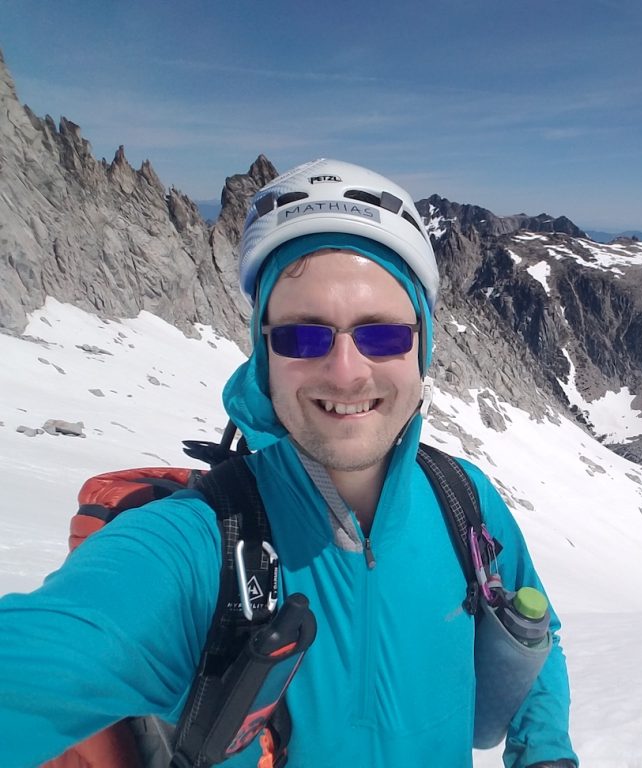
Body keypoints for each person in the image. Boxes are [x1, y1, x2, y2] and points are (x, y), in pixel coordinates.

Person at [0, 159, 578, 767]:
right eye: (303, 337)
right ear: (263, 353)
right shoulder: (201, 544)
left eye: (382, 335)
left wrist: (545, 754)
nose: (347, 371)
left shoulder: (466, 501)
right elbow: (42, 661)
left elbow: (536, 638)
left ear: (423, 345)